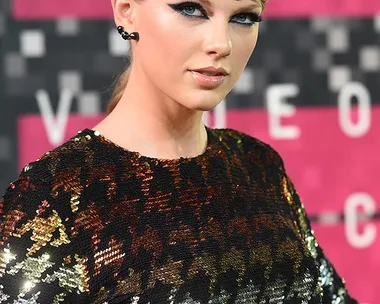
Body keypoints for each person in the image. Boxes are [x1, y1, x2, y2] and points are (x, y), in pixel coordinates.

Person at [0, 0, 358, 303]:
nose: (222, 44)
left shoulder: (258, 165)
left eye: (244, 17)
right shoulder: (56, 198)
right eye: (191, 9)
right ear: (126, 10)